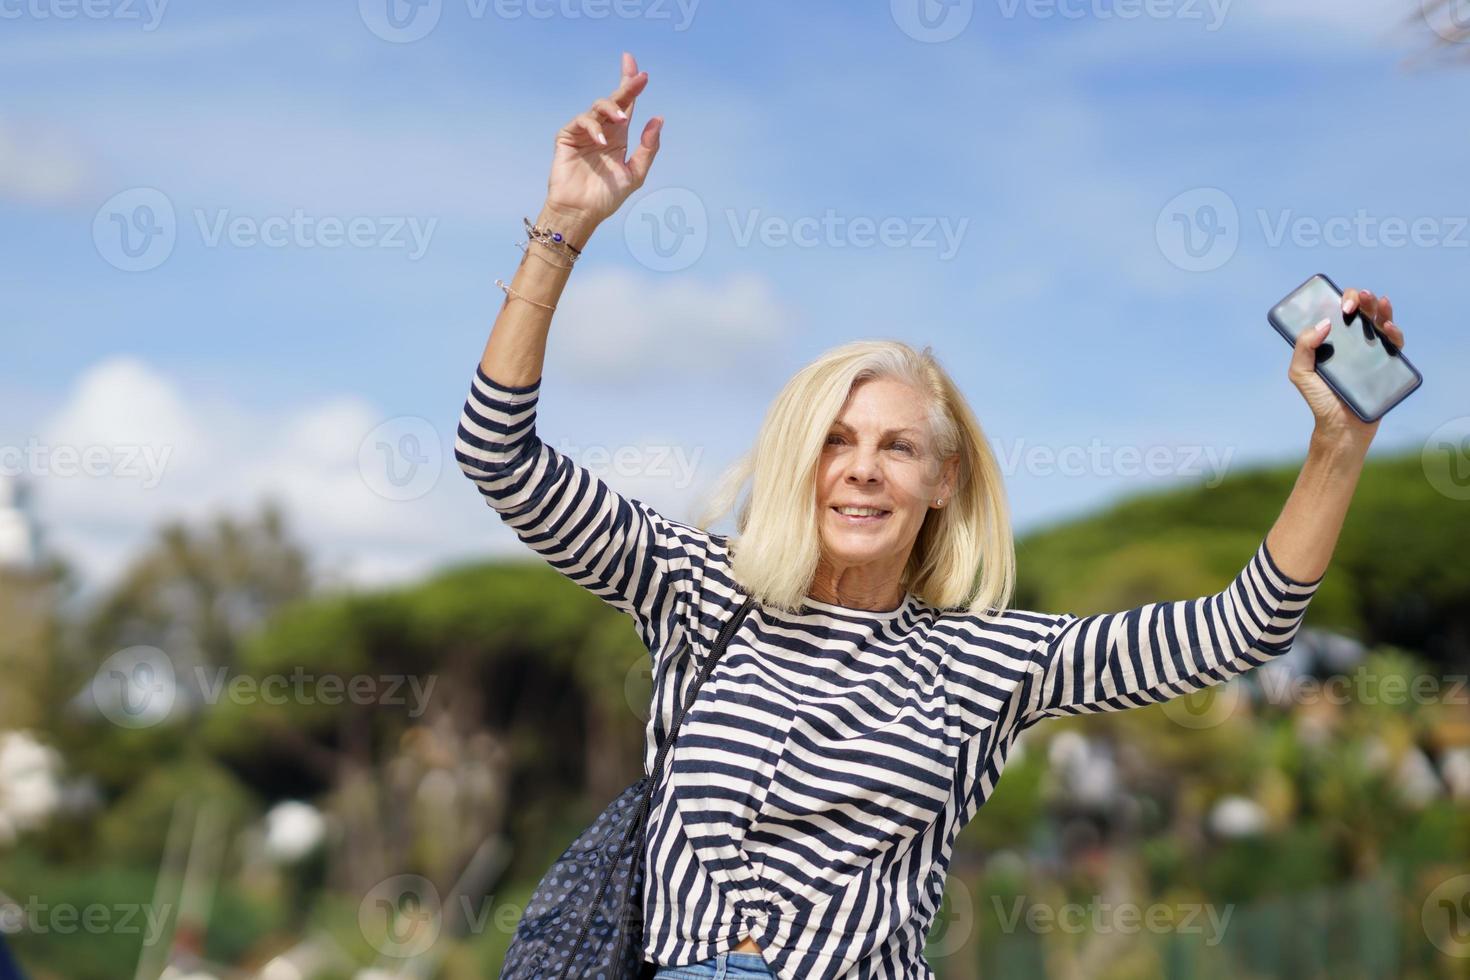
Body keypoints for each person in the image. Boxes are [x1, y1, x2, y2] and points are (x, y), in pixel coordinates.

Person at [454, 51, 1407, 980]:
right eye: (835, 441)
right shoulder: (702, 593)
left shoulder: (982, 663)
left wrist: (1337, 446)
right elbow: (499, 455)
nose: (862, 471)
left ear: (942, 480)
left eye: (897, 447)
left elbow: (1237, 632)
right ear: (800, 461)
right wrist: (562, 227)